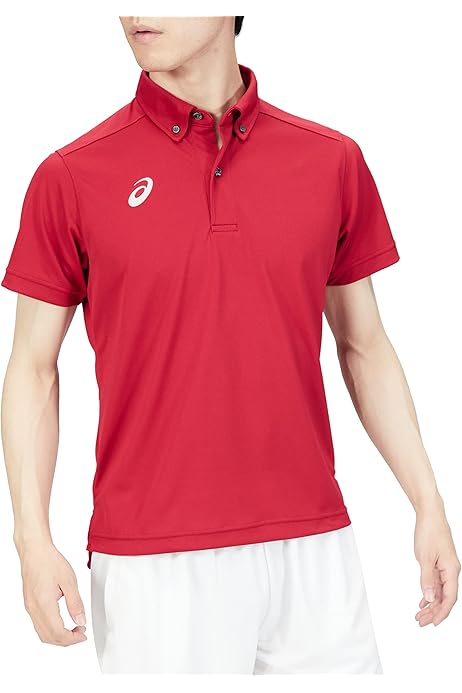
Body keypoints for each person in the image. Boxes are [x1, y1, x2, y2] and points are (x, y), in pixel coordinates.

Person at [1, 15, 459, 675]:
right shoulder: (72, 176)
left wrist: (427, 500)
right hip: (155, 560)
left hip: (315, 546)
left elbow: (364, 344)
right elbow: (33, 368)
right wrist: (31, 538)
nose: (134, 12)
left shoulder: (329, 161)